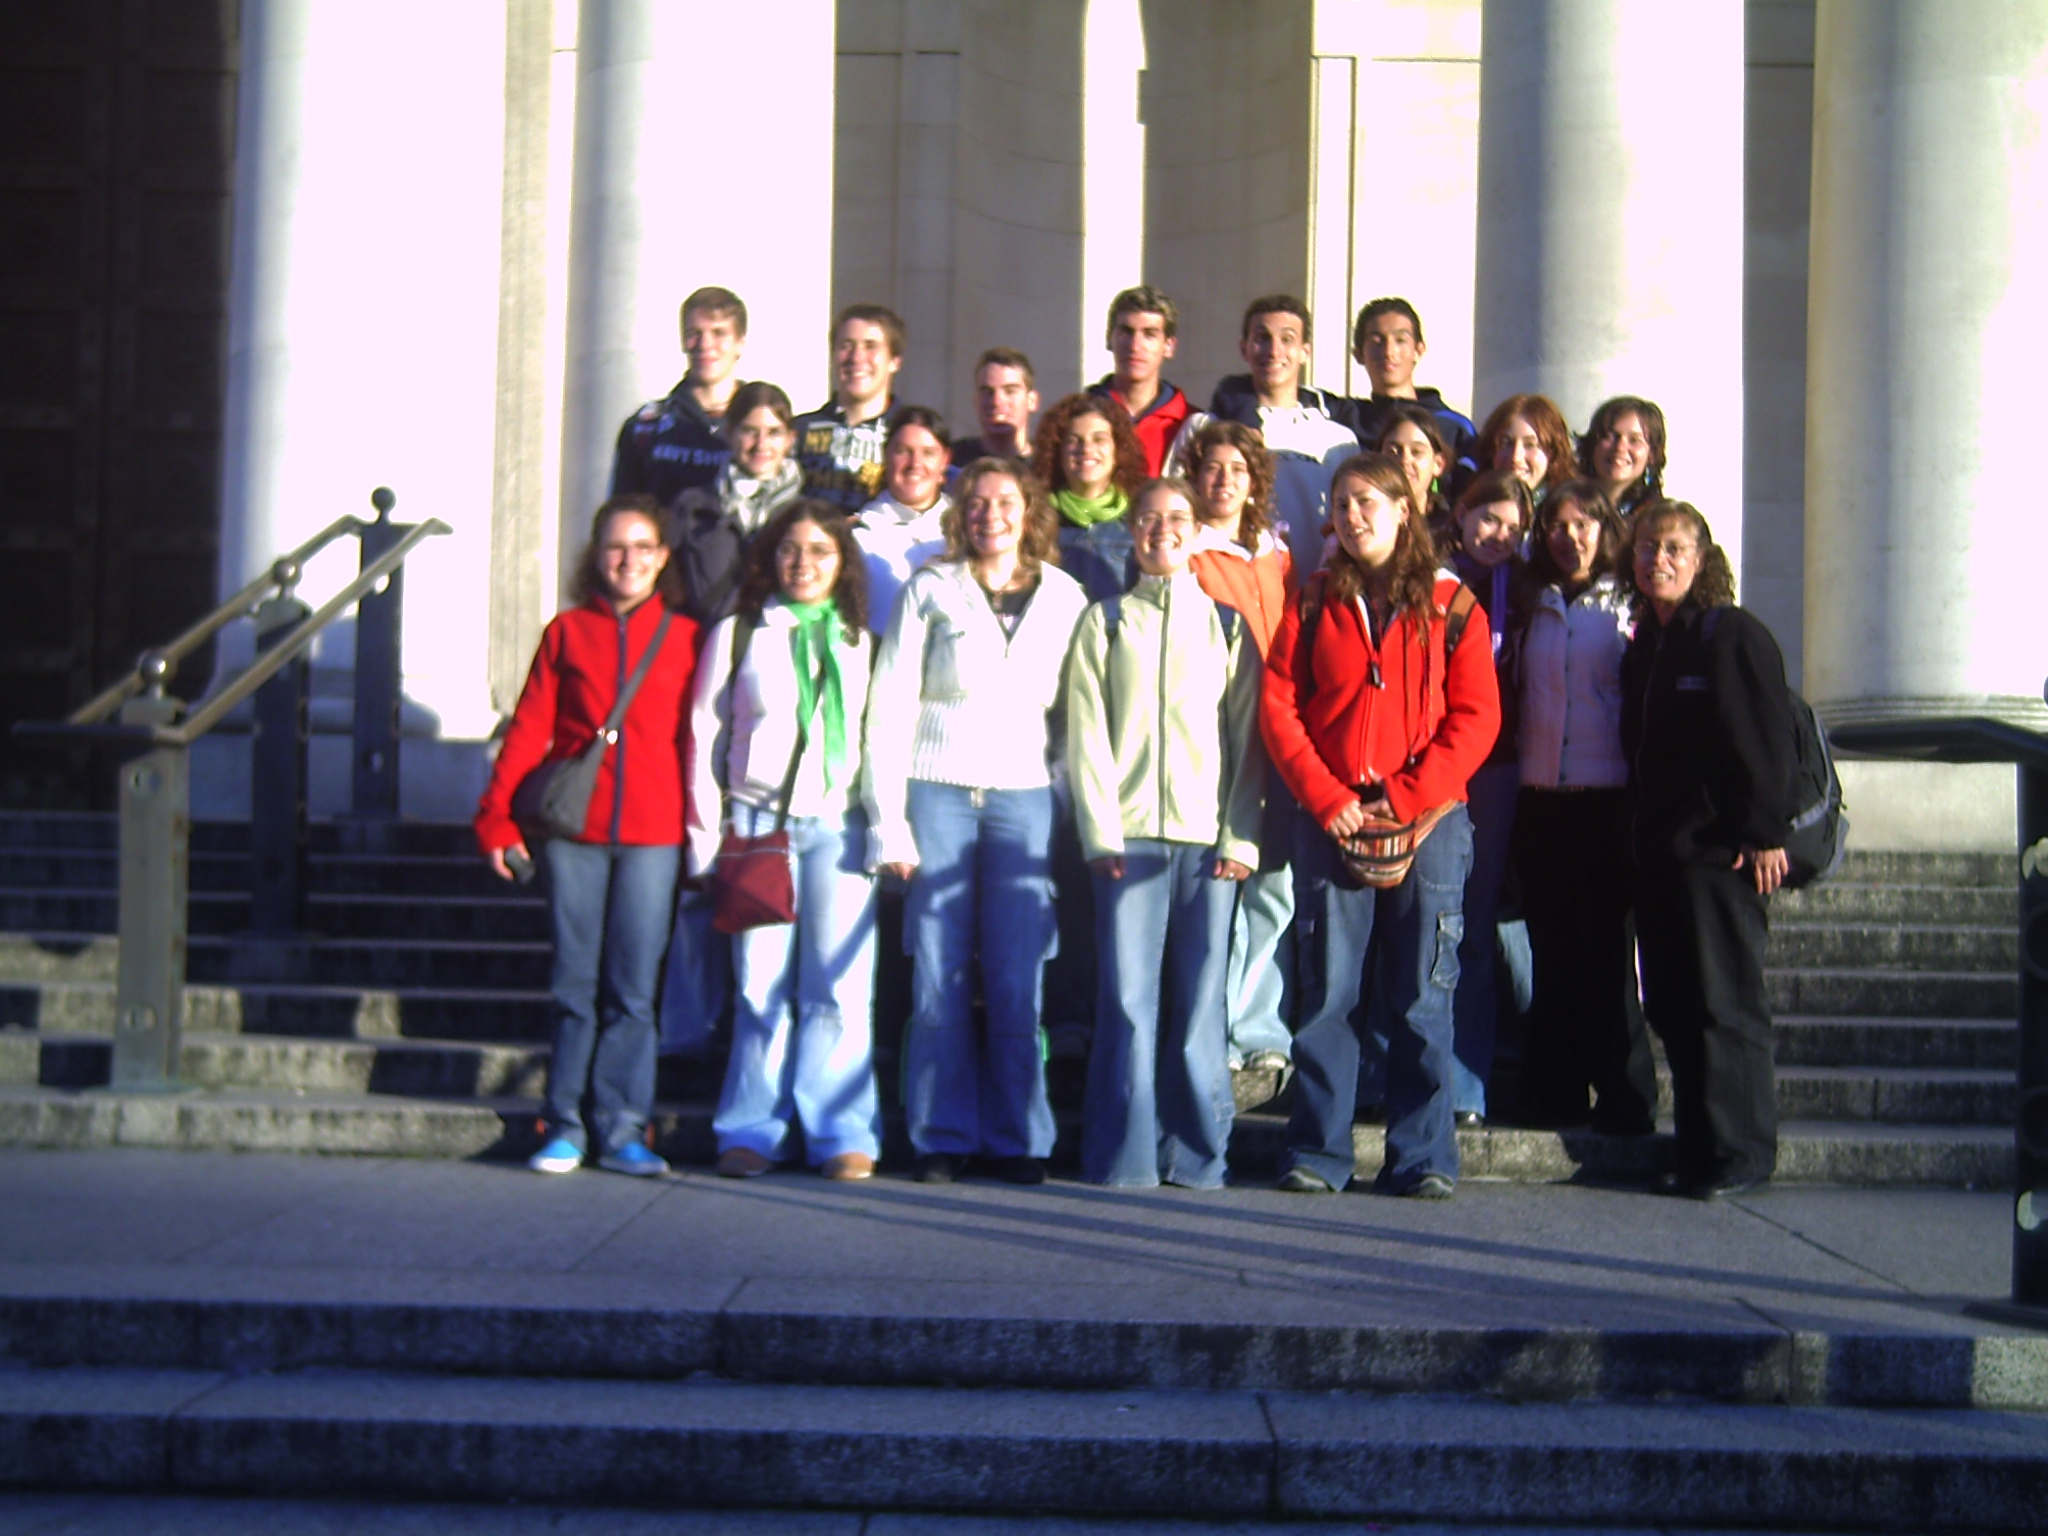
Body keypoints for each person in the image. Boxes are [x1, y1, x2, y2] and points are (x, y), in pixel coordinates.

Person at [1261, 452, 1499, 1198]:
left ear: (1405, 510)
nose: (1353, 514)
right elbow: (1279, 706)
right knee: (1328, 996)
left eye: (1369, 500)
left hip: (1428, 824)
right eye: (1342, 502)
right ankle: (1318, 1153)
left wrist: (1406, 795)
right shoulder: (1310, 601)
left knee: (1423, 994)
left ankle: (1423, 1157)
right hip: (1330, 819)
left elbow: (1477, 717)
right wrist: (1327, 797)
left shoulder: (1454, 606)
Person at [862, 459, 1091, 1184]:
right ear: (962, 514)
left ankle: (1020, 1136)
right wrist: (888, 824)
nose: (992, 513)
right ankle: (941, 1134)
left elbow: (1080, 715)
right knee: (939, 971)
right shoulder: (931, 587)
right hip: (936, 795)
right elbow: (890, 706)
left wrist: (1066, 803)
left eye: (1007, 502)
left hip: (1022, 799)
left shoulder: (1065, 596)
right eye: (979, 502)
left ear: (1029, 512)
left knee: (1019, 972)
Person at [474, 495, 700, 1178]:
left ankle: (626, 1125)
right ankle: (565, 1122)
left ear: (663, 557)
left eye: (642, 547)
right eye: (614, 547)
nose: (628, 559)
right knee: (575, 983)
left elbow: (705, 739)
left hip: (654, 832)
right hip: (572, 830)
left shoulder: (689, 637)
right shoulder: (567, 633)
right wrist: (496, 816)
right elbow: (529, 729)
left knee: (633, 990)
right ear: (596, 557)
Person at [1065, 478, 1264, 1188]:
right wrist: (1100, 833)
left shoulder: (1229, 625)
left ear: (1196, 531)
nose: (1162, 530)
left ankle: (1198, 1157)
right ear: (1132, 532)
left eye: (1176, 518)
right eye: (1147, 519)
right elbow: (1084, 737)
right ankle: (1125, 1156)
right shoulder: (1105, 622)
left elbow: (1248, 742)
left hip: (1207, 841)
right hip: (1128, 844)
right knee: (1126, 1002)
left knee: (1199, 1004)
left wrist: (1241, 839)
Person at [688, 501, 882, 1182]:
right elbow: (704, 737)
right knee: (759, 987)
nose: (804, 564)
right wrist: (704, 836)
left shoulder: (862, 639)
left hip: (839, 824)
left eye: (821, 552)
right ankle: (751, 1126)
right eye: (791, 551)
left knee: (839, 984)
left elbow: (874, 738)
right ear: (770, 559)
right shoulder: (742, 633)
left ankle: (840, 1128)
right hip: (758, 825)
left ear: (842, 563)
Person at [1621, 499, 1793, 1200]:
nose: (1657, 559)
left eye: (1672, 548)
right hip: (1661, 858)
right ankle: (1699, 1148)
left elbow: (1762, 736)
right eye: (1645, 548)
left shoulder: (1729, 634)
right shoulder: (1649, 646)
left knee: (1726, 1005)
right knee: (1676, 1006)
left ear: (1700, 559)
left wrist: (1761, 832)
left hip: (1720, 855)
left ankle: (1742, 1152)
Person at [1514, 479, 1657, 1134]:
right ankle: (1554, 1092)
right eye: (1557, 526)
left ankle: (1625, 1099)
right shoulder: (1533, 603)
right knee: (1553, 952)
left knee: (1606, 957)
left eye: (1583, 524)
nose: (1570, 537)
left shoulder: (1628, 604)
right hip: (1543, 799)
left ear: (1604, 529)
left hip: (1607, 799)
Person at [1184, 420, 1296, 1078]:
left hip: (1280, 738)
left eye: (1237, 470)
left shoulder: (1276, 556)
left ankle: (1260, 1025)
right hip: (1216, 741)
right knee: (1219, 890)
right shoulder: (1190, 554)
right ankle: (1214, 1027)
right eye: (1212, 468)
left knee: (1272, 895)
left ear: (1255, 483)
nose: (1224, 480)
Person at [1441, 468, 1539, 1129]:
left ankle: (1464, 1086)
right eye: (1486, 518)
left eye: (1511, 525)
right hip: (1432, 762)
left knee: (1475, 927)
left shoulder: (1530, 592)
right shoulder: (1434, 579)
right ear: (1460, 514)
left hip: (1498, 769)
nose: (1496, 534)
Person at [1203, 295, 1360, 573]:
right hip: (1233, 591)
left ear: (1305, 351)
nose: (1274, 351)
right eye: (1262, 338)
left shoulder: (1339, 440)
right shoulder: (1207, 428)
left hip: (1316, 594)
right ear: (1244, 348)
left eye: (1287, 339)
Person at [666, 381, 806, 628]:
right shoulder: (691, 506)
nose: (761, 444)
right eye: (750, 431)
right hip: (705, 649)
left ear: (790, 439)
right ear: (729, 433)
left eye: (774, 432)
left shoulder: (807, 516)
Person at [610, 287, 747, 504]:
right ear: (683, 341)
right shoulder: (646, 427)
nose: (705, 345)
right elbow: (623, 515)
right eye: (695, 334)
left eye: (719, 333)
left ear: (740, 342)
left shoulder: (764, 426)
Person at [1032, 392, 1148, 603]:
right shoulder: (1038, 519)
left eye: (1099, 439)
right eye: (1074, 441)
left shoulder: (1140, 519)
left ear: (1117, 450)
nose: (1086, 449)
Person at [1347, 298, 1479, 482]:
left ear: (1419, 350)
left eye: (1400, 340)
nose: (1388, 352)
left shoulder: (1453, 427)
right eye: (1377, 342)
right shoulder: (1343, 419)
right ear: (1359, 354)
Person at [796, 304, 905, 512]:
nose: (856, 358)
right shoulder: (799, 430)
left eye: (870, 346)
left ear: (894, 361)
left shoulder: (909, 434)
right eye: (846, 345)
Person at [855, 405, 954, 634]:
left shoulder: (967, 530)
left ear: (945, 460)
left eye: (928, 453)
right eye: (903, 451)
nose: (915, 464)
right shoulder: (859, 536)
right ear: (885, 454)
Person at [1089, 286, 1191, 475]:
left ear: (1169, 346)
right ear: (1109, 339)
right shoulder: (1077, 415)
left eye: (1149, 334)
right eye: (1126, 332)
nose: (1135, 346)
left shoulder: (1191, 425)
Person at [1373, 403, 1453, 545]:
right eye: (1393, 451)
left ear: (1438, 464)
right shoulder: (1364, 522)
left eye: (1416, 452)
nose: (1404, 460)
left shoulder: (1450, 530)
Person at [1477, 393, 1579, 503]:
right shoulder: (1471, 510)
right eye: (1506, 443)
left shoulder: (1572, 512)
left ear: (1553, 452)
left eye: (1530, 445)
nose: (1515, 457)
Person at [1582, 395, 1668, 518]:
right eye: (1611, 436)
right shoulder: (1564, 508)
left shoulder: (1658, 519)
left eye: (1635, 440)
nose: (1620, 447)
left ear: (1652, 455)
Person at [951, 348, 1039, 466]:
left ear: (1032, 401)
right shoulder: (952, 462)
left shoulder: (1049, 467)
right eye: (987, 392)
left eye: (1010, 391)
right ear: (975, 401)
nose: (996, 401)